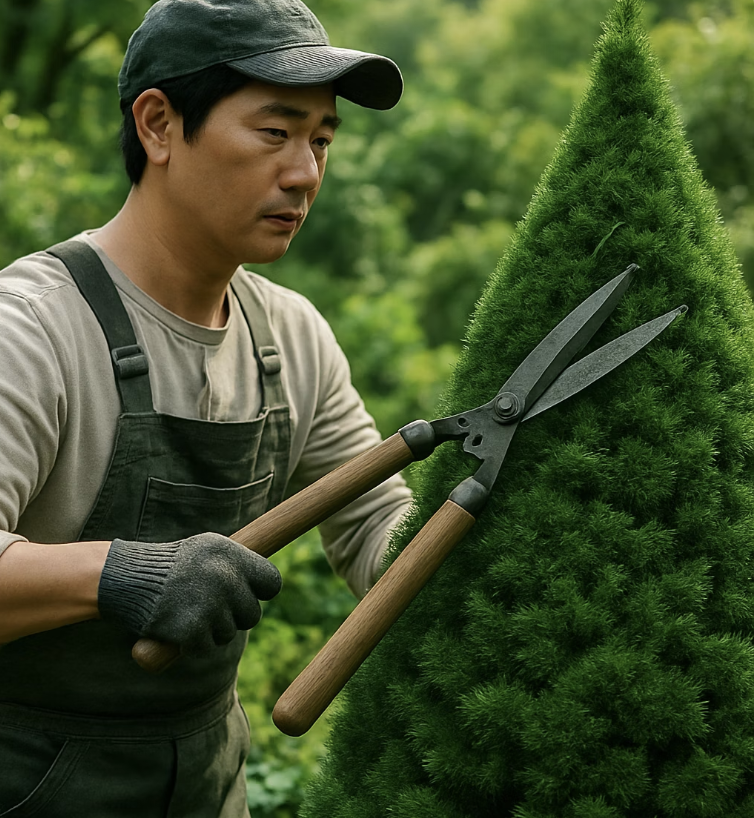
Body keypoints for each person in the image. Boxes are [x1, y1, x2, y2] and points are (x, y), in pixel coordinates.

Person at [0, 0, 411, 815]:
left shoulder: (288, 334)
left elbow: (375, 528)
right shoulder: (33, 328)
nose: (306, 173)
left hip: (211, 785)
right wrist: (125, 572)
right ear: (158, 124)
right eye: (275, 132)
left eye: (322, 140)